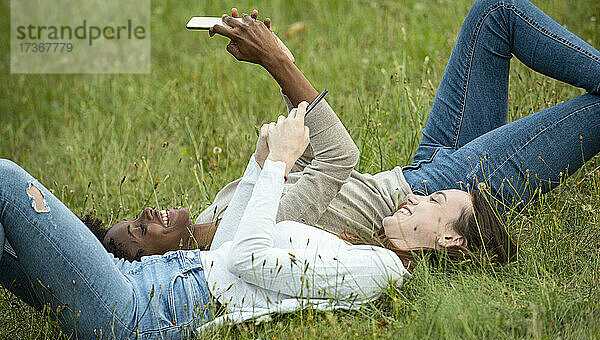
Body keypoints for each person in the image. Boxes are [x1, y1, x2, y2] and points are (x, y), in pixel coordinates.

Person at [102, 0, 600, 265]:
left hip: (419, 173)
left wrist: (277, 61)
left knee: (494, 12)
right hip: (439, 200)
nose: (146, 214)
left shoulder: (215, 215)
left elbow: (299, 150)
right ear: (157, 263)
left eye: (135, 218)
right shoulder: (246, 235)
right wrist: (277, 63)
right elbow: (338, 155)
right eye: (143, 231)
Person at [0, 102, 409, 340]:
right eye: (433, 197)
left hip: (136, 310)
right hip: (139, 290)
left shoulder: (382, 268)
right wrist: (264, 162)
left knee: (6, 179)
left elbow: (246, 254)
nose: (418, 200)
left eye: (435, 202)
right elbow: (233, 251)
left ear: (449, 239)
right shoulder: (376, 261)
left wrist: (279, 163)